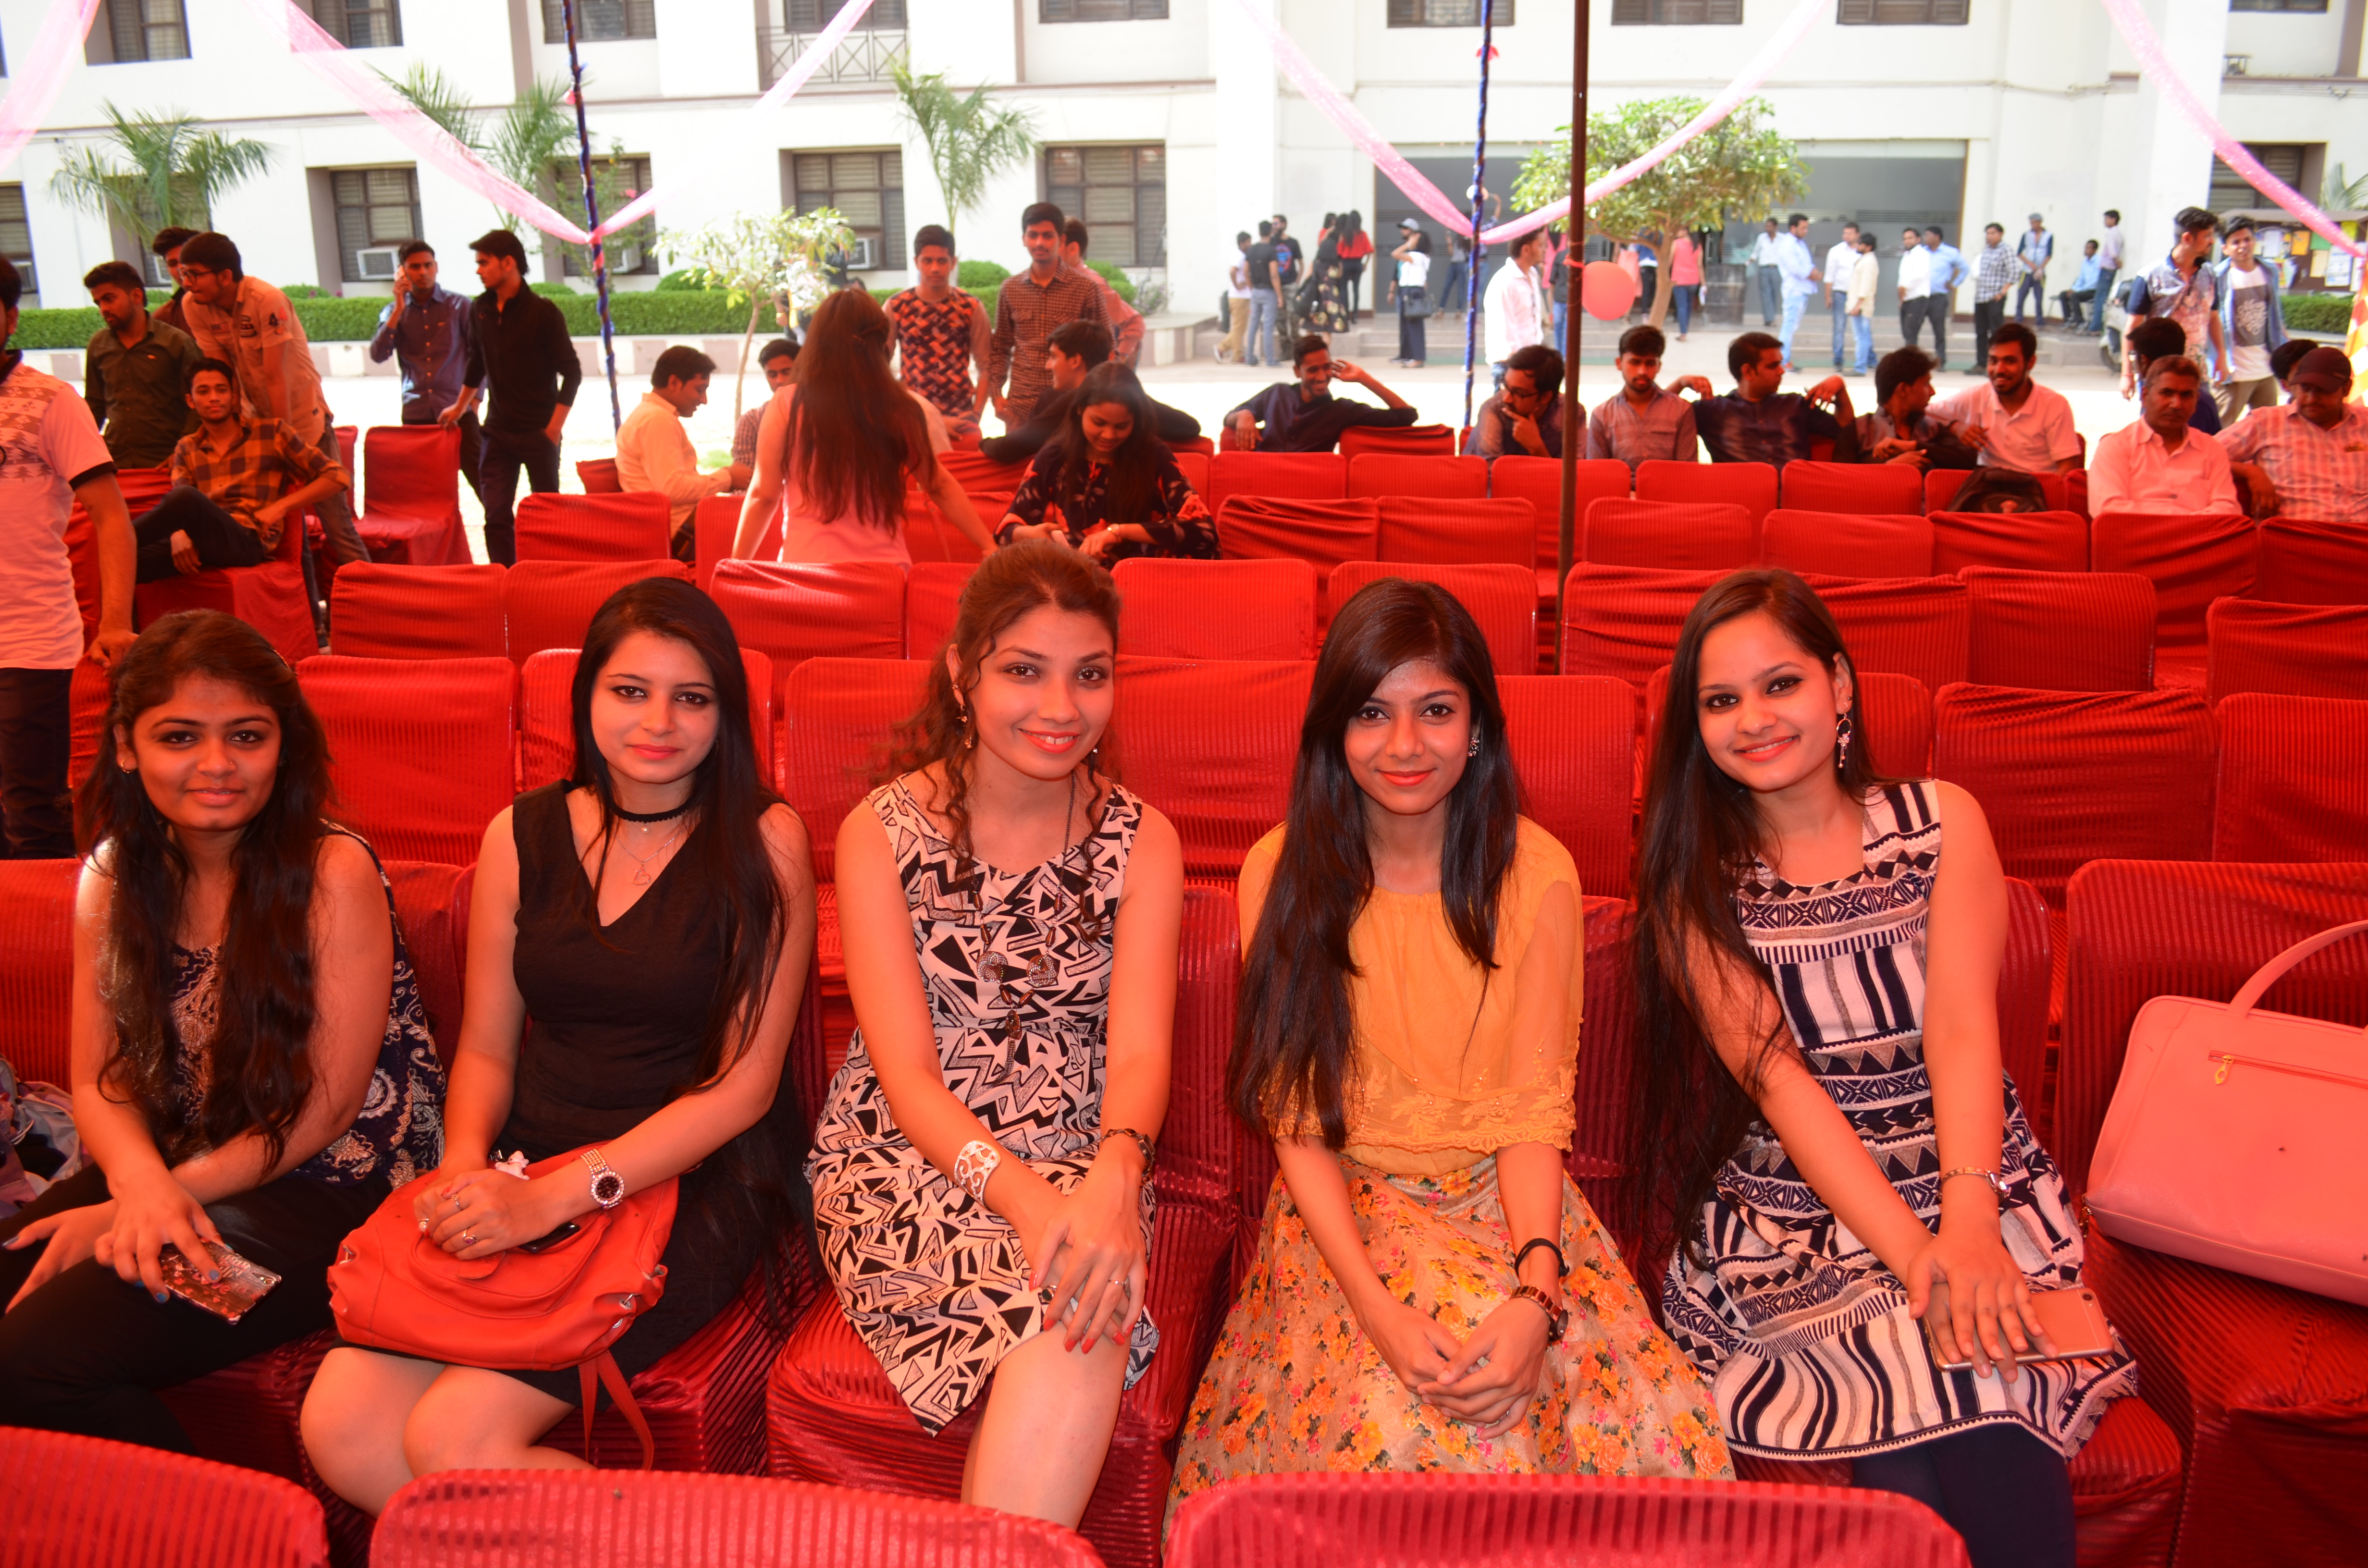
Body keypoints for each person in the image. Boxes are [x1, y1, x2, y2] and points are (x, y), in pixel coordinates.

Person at [1167, 579, 1730, 1512]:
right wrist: (1376, 1311)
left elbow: (1530, 1116)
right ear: (1333, 730)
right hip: (1344, 1214)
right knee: (1417, 1434)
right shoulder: (1281, 870)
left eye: (1435, 710)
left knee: (1631, 1442)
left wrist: (1536, 1295)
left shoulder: (1537, 873)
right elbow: (1297, 1124)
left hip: (1505, 1207)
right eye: (1371, 712)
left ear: (1475, 727)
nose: (1404, 744)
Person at [1633, 571, 2134, 1568]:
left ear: (1840, 685)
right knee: (1903, 1393)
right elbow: (1781, 1086)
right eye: (1720, 700)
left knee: (1985, 1385)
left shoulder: (1940, 820)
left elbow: (1961, 1028)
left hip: (1968, 1173)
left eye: (1780, 684)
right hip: (1797, 1215)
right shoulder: (1692, 882)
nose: (1753, 719)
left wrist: (1968, 1225)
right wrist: (1917, 1261)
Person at [302, 579, 814, 1513]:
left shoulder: (764, 838)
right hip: (528, 1154)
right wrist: (465, 1170)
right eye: (630, 690)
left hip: (690, 1173)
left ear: (726, 714)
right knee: (341, 1426)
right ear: (587, 698)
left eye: (691, 697)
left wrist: (555, 1199)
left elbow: (743, 1088)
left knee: (452, 1441)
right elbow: (488, 1049)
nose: (657, 722)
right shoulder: (520, 834)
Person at [0, 610, 445, 1451]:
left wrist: (154, 1201)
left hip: (332, 1202)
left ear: (284, 746)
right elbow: (97, 1076)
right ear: (127, 747)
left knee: (35, 1361)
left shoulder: (331, 868)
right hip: (175, 1169)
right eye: (179, 737)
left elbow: (322, 1110)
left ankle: (227, 1520)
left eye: (246, 735)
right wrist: (141, 1192)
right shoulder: (114, 873)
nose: (216, 765)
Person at [809, 543, 1180, 1525]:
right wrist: (1027, 1203)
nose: (1061, 706)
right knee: (1075, 1293)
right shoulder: (880, 831)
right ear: (961, 674)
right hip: (909, 1156)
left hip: (1078, 1146)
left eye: (1089, 674)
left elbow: (1141, 1053)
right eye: (1024, 670)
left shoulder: (1141, 837)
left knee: (1084, 1312)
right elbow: (908, 1079)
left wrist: (1113, 1179)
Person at [0, 255, 136, 859]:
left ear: (10, 318)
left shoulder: (50, 401)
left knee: (30, 809)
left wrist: (114, 622)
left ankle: (46, 916)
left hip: (28, 640)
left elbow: (110, 516)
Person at [735, 288, 991, 565]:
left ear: (818, 341)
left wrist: (734, 567)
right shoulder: (900, 407)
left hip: (807, 570)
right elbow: (939, 484)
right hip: (885, 573)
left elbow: (763, 495)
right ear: (881, 343)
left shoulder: (787, 402)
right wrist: (988, 545)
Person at [174, 233, 366, 572]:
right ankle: (308, 608)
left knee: (337, 526)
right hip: (256, 426)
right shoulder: (195, 305)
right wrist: (238, 432)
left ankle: (376, 596)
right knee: (288, 534)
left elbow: (276, 378)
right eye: (182, 273)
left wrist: (281, 443)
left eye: (194, 274)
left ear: (225, 276)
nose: (186, 283)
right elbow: (223, 376)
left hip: (302, 418)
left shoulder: (267, 300)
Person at [135, 360, 350, 585]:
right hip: (203, 539)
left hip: (248, 540)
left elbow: (338, 476)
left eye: (221, 390)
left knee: (185, 497)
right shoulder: (186, 447)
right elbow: (181, 510)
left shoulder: (272, 433)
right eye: (204, 392)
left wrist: (280, 507)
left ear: (234, 397)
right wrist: (177, 533)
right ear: (191, 401)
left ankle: (119, 540)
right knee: (126, 560)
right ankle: (119, 552)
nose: (214, 398)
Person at [998, 364, 1216, 564]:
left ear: (1136, 420)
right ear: (1080, 409)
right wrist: (1028, 534)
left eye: (1121, 426)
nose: (1109, 435)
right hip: (1075, 581)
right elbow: (1005, 533)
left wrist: (1119, 532)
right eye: (1098, 423)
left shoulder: (1154, 455)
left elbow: (1203, 531)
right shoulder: (1055, 456)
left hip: (1139, 579)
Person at [456, 229, 580, 567]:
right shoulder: (480, 309)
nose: (479, 270)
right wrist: (459, 406)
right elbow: (477, 363)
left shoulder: (543, 312)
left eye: (484, 262)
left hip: (539, 433)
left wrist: (553, 430)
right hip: (497, 433)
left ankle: (549, 578)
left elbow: (572, 373)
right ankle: (505, 579)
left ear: (508, 263)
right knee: (495, 515)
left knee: (548, 516)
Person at [980, 321, 1199, 467]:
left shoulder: (1073, 401)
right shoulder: (1128, 397)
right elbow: (1190, 426)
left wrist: (979, 444)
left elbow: (1008, 449)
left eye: (1054, 357)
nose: (1048, 366)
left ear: (1075, 361)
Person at [368, 240, 481, 502]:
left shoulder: (460, 306)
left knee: (485, 484)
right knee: (427, 492)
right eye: (415, 267)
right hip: (417, 414)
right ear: (402, 272)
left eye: (428, 265)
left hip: (458, 410)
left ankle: (503, 531)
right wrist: (399, 308)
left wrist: (474, 401)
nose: (423, 272)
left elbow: (481, 356)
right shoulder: (394, 311)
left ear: (436, 267)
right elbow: (378, 355)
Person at [984, 204, 1107, 431]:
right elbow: (1001, 347)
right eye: (1033, 235)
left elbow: (1106, 351)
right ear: (1024, 239)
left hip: (1070, 408)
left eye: (1048, 236)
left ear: (1061, 240)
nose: (1039, 243)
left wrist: (1096, 401)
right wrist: (996, 395)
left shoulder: (1086, 289)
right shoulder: (1010, 289)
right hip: (1020, 410)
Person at [615, 347, 746, 560]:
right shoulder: (656, 420)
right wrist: (728, 478)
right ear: (674, 382)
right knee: (766, 525)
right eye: (700, 389)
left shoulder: (654, 416)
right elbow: (672, 489)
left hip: (681, 526)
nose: (704, 400)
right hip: (680, 535)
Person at [2219, 344, 2368, 521]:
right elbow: (2201, 456)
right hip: (2293, 533)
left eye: (2323, 390)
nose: (2311, 399)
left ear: (2346, 388)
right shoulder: (2265, 422)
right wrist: (2250, 471)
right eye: (2305, 388)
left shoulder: (2364, 422)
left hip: (2358, 534)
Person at [82, 260, 200, 470]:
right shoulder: (99, 344)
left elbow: (198, 405)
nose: (104, 309)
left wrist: (183, 450)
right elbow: (95, 404)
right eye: (98, 303)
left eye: (109, 299)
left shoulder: (176, 343)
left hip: (167, 463)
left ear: (136, 296)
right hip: (116, 462)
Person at [2085, 357, 2239, 516]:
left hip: (2200, 532)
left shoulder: (2212, 449)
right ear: (2145, 396)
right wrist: (2183, 521)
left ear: (2196, 401)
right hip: (2138, 533)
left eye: (2186, 395)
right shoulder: (2115, 448)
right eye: (2167, 393)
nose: (2176, 404)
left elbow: (2228, 508)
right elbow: (2108, 510)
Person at [886, 225, 992, 447]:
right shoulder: (897, 306)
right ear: (916, 262)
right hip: (914, 417)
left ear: (953, 263)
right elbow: (879, 364)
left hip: (960, 417)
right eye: (928, 261)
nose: (935, 268)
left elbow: (986, 366)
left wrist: (976, 415)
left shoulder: (970, 307)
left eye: (942, 261)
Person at [1927, 323, 2081, 475]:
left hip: (2036, 487)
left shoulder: (2055, 405)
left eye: (2010, 361)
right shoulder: (1976, 396)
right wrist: (1956, 427)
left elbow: (2067, 469)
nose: (1999, 370)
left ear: (2030, 363)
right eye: (1994, 361)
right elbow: (1926, 412)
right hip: (1988, 483)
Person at [1689, 332, 1859, 469]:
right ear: (1748, 372)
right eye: (1773, 366)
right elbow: (1672, 423)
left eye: (1781, 364)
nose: (1781, 371)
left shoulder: (1796, 404)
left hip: (1795, 493)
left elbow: (1846, 428)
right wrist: (1681, 383)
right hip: (1742, 494)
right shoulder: (1712, 410)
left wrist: (1840, 387)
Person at [1228, 335, 1418, 453]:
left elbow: (1407, 416)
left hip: (1307, 486)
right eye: (1313, 370)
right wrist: (1244, 414)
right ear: (1297, 372)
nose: (1322, 377)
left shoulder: (1341, 410)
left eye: (1326, 367)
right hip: (1263, 479)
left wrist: (1364, 378)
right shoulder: (1278, 393)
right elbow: (1229, 418)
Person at [2122, 208, 2227, 403]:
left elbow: (2213, 318)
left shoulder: (2210, 275)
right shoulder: (2151, 276)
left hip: (2197, 373)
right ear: (2187, 238)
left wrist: (2221, 355)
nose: (2212, 241)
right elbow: (2133, 327)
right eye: (2207, 236)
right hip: (2160, 375)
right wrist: (2127, 374)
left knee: (2201, 420)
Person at [1585, 326, 1704, 473]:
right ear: (1619, 363)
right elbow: (1597, 473)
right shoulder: (1602, 415)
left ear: (1659, 366)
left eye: (1650, 363)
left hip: (1668, 487)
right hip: (1619, 488)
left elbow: (1688, 471)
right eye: (1635, 362)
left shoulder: (1681, 410)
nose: (1642, 371)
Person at [1855, 347, 1979, 473]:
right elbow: (1844, 477)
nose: (1932, 392)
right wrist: (1889, 468)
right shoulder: (1859, 430)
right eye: (1926, 384)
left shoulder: (1931, 427)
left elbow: (1969, 459)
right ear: (1904, 389)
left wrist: (1914, 446)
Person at [2212, 218, 2288, 424]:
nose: (2243, 246)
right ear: (2225, 248)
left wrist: (2286, 349)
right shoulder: (2217, 277)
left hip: (2266, 368)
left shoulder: (2269, 271)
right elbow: (2212, 321)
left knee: (2268, 428)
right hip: (2234, 372)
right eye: (2236, 242)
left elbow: (2276, 316)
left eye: (2247, 240)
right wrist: (2218, 361)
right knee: (2219, 430)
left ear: (2255, 241)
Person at [1063, 219, 1144, 369]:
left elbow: (1135, 323)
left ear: (1073, 248)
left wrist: (1114, 365)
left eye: (1055, 242)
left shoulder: (1092, 285)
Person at [1475, 343, 1578, 461]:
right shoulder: (1493, 410)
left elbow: (1578, 470)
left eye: (1518, 393)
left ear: (1545, 397)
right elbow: (1490, 470)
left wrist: (1538, 450)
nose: (1507, 399)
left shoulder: (1571, 412)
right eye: (1506, 386)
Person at [2124, 318, 2220, 435]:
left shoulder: (2192, 407)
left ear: (2144, 361)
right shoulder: (2198, 397)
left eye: (2134, 356)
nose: (2176, 404)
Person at [1481, 227, 1550, 386]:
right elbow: (1506, 331)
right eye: (1541, 245)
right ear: (1526, 249)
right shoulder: (1505, 281)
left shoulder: (1532, 275)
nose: (1545, 250)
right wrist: (1520, 367)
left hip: (1531, 361)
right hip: (1511, 365)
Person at [730, 338, 801, 470]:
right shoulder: (752, 421)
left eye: (787, 372)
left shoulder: (820, 416)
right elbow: (744, 476)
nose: (780, 381)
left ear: (802, 370)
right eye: (772, 375)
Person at [1969, 223, 2016, 374]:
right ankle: (1981, 364)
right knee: (1981, 332)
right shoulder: (1986, 250)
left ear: (2001, 234)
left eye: (1993, 233)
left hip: (1995, 297)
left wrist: (2002, 292)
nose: (1989, 237)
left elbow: (2015, 272)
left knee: (1996, 333)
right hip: (1981, 297)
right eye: (1988, 234)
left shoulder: (2005, 250)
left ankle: (1997, 365)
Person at [1774, 214, 1818, 371]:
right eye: (1803, 228)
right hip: (1794, 291)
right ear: (1793, 228)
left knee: (1792, 327)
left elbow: (1808, 265)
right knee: (1788, 327)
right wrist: (1813, 274)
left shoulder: (1800, 243)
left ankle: (1785, 359)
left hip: (1802, 290)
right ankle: (1783, 361)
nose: (1806, 231)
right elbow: (1797, 269)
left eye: (1807, 228)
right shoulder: (1787, 245)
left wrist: (1813, 272)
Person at [1389, 220, 1432, 368]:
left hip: (1412, 291)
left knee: (1414, 326)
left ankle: (1418, 359)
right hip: (1410, 290)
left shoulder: (1418, 256)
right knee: (1409, 326)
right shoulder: (1422, 257)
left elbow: (1395, 254)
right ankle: (1411, 356)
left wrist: (1408, 244)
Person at [1822, 221, 1863, 370]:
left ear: (1857, 235)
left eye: (1850, 233)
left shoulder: (1862, 251)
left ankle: (1867, 359)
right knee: (1839, 327)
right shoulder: (1836, 251)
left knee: (1862, 328)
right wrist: (1828, 297)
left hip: (1858, 296)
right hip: (1840, 294)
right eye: (1845, 233)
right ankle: (1838, 360)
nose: (1847, 236)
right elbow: (1829, 275)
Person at [1896, 229, 1939, 363]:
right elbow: (1902, 278)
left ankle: (1911, 363)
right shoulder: (1907, 255)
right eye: (1905, 239)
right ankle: (1909, 360)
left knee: (1911, 332)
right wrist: (1901, 296)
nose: (1907, 241)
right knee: (1906, 332)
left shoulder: (1921, 254)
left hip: (1917, 298)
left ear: (1918, 239)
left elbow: (1920, 274)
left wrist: (1905, 287)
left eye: (1910, 238)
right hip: (1907, 298)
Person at [148, 227, 198, 336]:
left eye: (185, 260)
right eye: (173, 264)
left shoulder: (231, 301)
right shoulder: (163, 320)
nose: (181, 269)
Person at [1842, 232, 1879, 377]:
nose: (1857, 246)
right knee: (1863, 336)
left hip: (1861, 306)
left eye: (1860, 244)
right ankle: (1863, 365)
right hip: (1859, 305)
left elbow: (1866, 285)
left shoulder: (1869, 262)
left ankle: (1860, 367)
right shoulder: (1866, 260)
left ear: (1868, 247)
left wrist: (1858, 305)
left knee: (1861, 337)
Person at [2013, 213, 2053, 323]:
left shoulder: (2048, 235)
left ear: (2040, 223)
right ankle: (2019, 318)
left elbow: (2049, 254)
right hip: (2027, 270)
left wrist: (2041, 268)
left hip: (2040, 271)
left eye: (2034, 223)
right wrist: (2030, 264)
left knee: (2039, 297)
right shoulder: (2027, 235)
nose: (2032, 225)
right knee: (2021, 295)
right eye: (2031, 223)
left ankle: (2040, 320)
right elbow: (2019, 253)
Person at [1220, 231, 1252, 365]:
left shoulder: (1242, 255)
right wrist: (1237, 285)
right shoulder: (1239, 256)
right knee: (1239, 329)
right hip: (1239, 297)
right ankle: (1236, 355)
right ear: (1242, 243)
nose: (1250, 244)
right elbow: (1233, 271)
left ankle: (1222, 348)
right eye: (1248, 242)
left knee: (1240, 328)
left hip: (1242, 296)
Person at [2091, 209, 2124, 334]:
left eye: (2107, 219)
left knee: (2101, 298)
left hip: (2107, 269)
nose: (2105, 222)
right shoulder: (2117, 233)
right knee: (2103, 297)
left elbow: (2112, 251)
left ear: (2113, 219)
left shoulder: (2112, 233)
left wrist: (2117, 261)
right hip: (2111, 269)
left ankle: (2096, 327)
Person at [2056, 241, 2101, 332]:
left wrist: (2078, 290)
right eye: (2086, 248)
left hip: (2093, 291)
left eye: (2089, 248)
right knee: (2063, 295)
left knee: (2074, 296)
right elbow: (2081, 279)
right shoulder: (2085, 263)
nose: (2086, 250)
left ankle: (2080, 320)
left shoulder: (2099, 261)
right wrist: (2074, 289)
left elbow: (2095, 281)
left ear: (2094, 250)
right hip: (2083, 290)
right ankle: (2069, 319)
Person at [1337, 211, 1374, 319]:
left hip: (1346, 262)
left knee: (1344, 288)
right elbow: (1370, 251)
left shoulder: (1345, 234)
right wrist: (1365, 264)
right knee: (1356, 289)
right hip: (1358, 263)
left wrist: (1340, 265)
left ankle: (1345, 314)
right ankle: (1355, 315)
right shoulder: (1362, 235)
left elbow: (1339, 252)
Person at [1667, 227, 1702, 341]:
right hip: (1694, 279)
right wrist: (1704, 283)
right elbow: (1700, 265)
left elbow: (1670, 260)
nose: (1677, 233)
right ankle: (1686, 326)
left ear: (1685, 231)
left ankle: (1683, 334)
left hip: (1679, 279)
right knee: (1689, 305)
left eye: (1679, 230)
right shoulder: (1697, 245)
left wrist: (1664, 273)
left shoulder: (1677, 243)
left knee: (1682, 306)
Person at [1749, 218, 1783, 327]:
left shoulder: (1783, 239)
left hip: (1777, 269)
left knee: (1774, 294)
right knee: (1766, 294)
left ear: (1776, 227)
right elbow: (1756, 253)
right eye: (1767, 226)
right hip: (1764, 269)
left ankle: (1770, 317)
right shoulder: (1762, 238)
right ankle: (1770, 319)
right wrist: (1750, 261)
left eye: (1770, 226)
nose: (1768, 228)